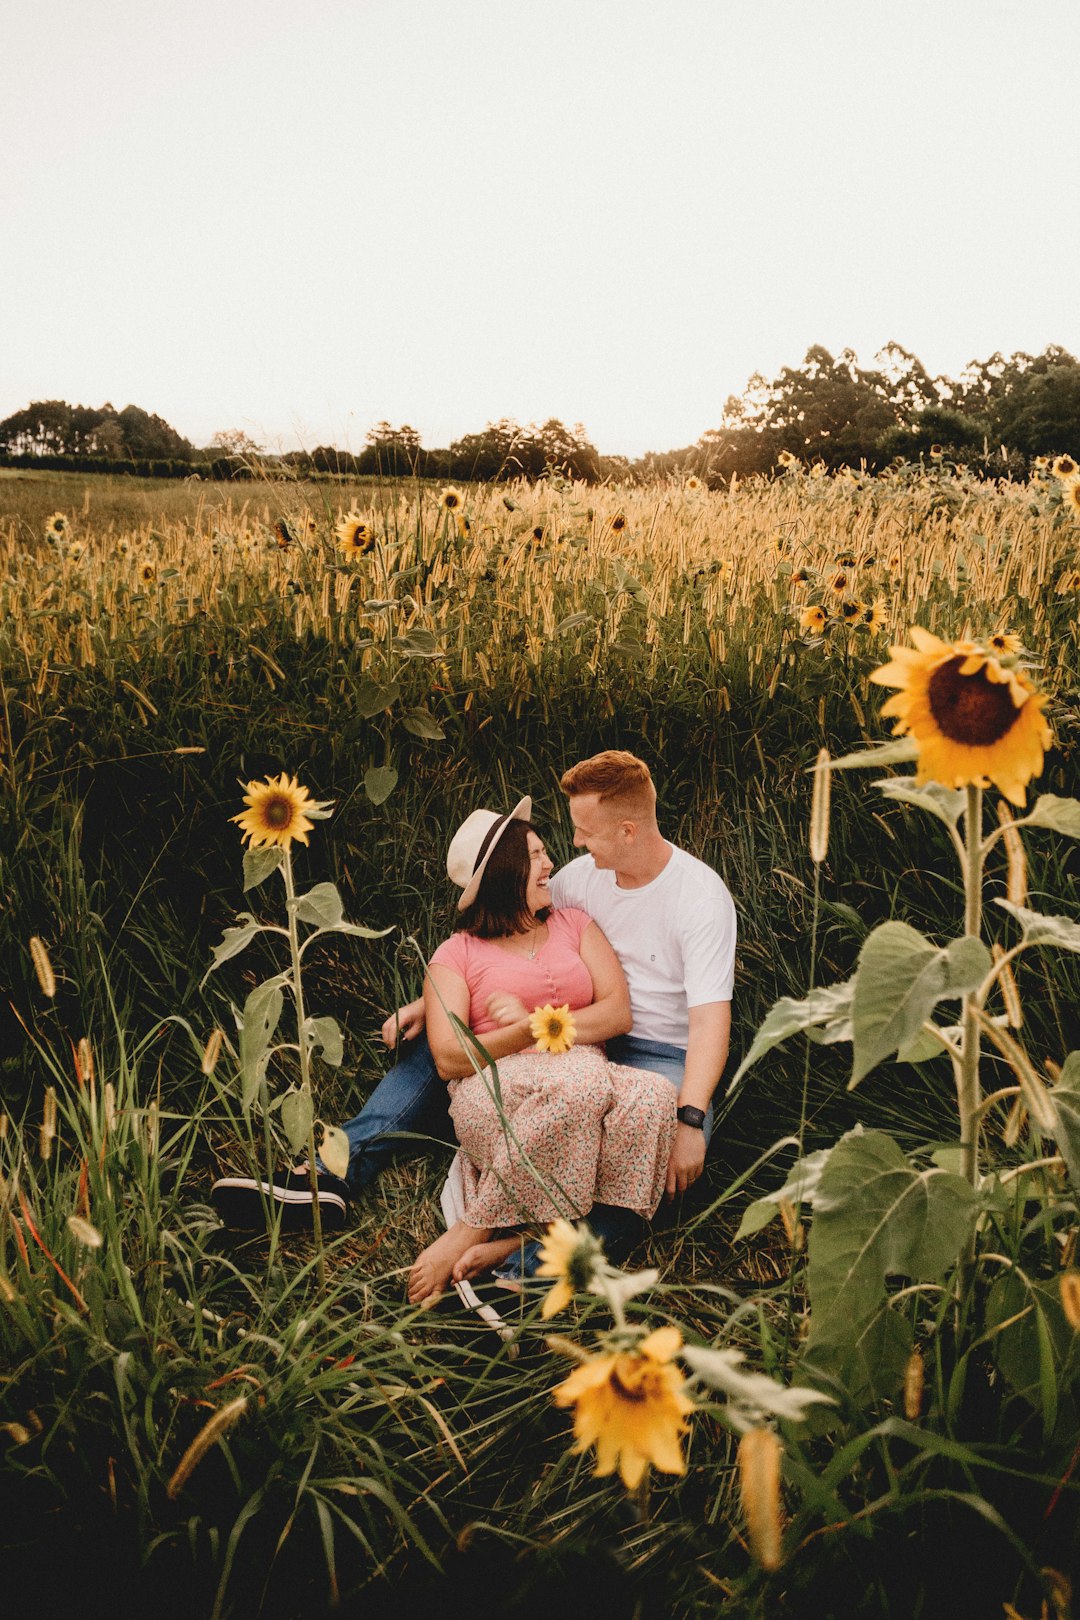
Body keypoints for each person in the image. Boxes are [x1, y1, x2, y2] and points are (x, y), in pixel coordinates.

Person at [212, 751, 736, 1273]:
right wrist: (435, 1001)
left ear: (626, 831)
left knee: (667, 1163)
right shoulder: (583, 877)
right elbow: (508, 946)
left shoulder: (698, 897)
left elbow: (710, 1021)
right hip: (558, 1038)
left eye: (585, 831)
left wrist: (691, 1117)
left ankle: (520, 1262)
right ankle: (330, 1174)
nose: (572, 844)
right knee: (437, 1047)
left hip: (657, 1053)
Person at [405, 796, 677, 1303]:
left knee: (653, 1096)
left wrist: (543, 1025)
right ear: (504, 872)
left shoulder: (574, 925)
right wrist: (530, 1034)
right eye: (534, 856)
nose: (549, 864)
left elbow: (617, 1011)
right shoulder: (455, 954)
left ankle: (519, 1241)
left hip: (583, 1076)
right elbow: (448, 1056)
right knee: (582, 1081)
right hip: (497, 1093)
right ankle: (475, 1227)